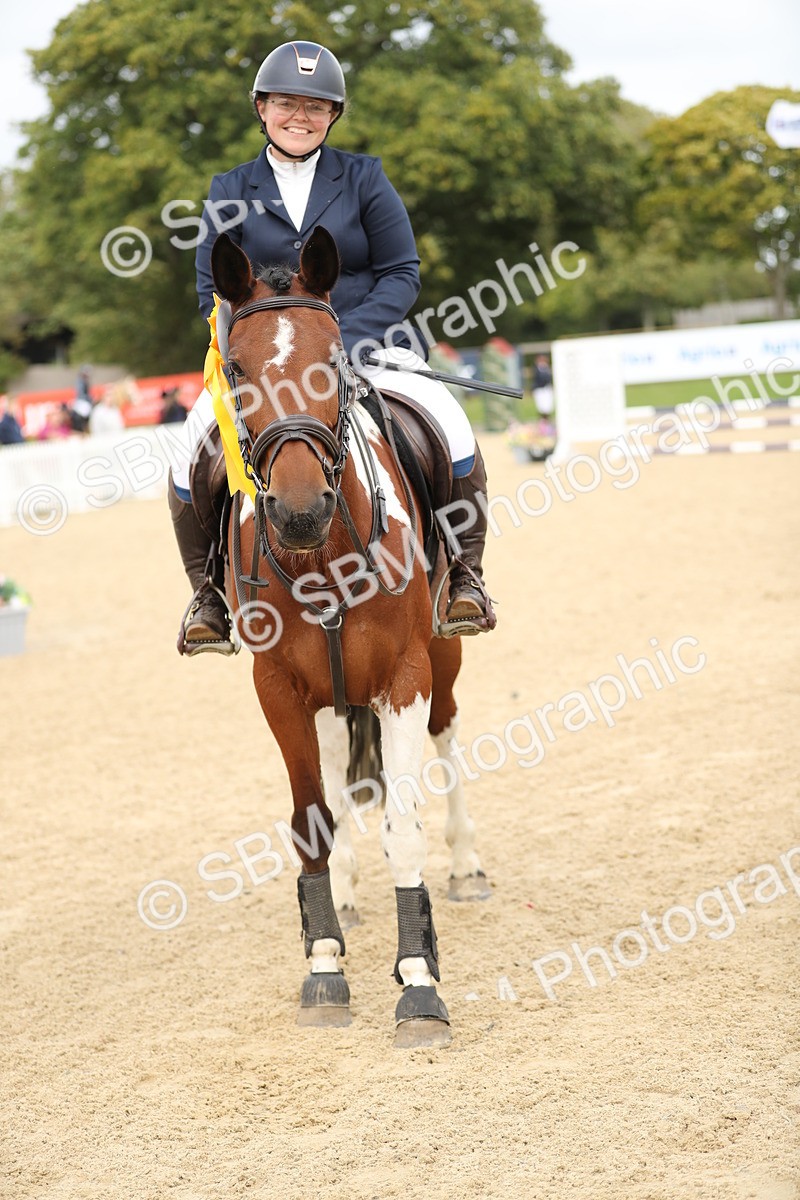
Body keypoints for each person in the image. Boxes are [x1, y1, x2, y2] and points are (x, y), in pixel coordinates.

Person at [168, 40, 496, 654]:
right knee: (191, 449)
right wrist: (261, 352)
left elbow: (403, 271)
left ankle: (462, 576)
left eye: (317, 107)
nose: (302, 116)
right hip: (267, 361)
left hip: (365, 342)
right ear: (262, 108)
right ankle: (208, 592)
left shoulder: (365, 178)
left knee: (450, 424)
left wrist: (347, 338)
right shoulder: (229, 187)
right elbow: (212, 290)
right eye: (287, 103)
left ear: (333, 116)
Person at [531, 354, 554, 418]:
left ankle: (547, 420)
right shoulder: (536, 368)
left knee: (547, 406)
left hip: (546, 389)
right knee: (541, 406)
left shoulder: (547, 368)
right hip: (540, 388)